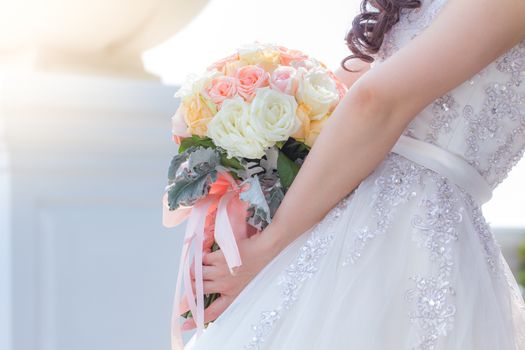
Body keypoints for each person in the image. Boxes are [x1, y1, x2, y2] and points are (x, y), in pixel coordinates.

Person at [182, 0, 525, 348]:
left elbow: (376, 101)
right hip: (357, 210)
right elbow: (344, 95)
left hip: (402, 228)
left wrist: (270, 247)